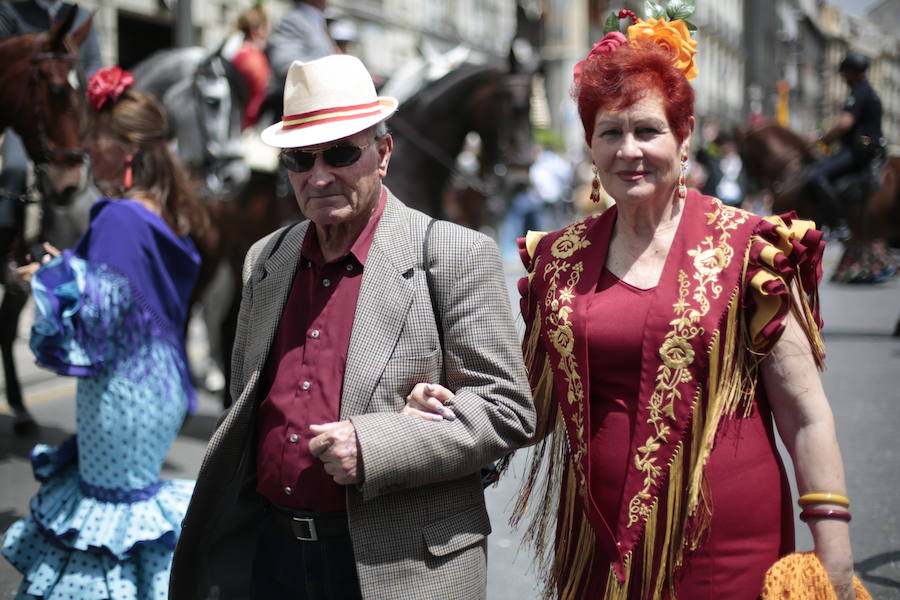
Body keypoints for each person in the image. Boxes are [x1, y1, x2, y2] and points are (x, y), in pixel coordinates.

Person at [469, 13, 856, 600]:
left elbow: (805, 415)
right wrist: (446, 404)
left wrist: (835, 558)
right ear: (590, 146)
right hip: (599, 548)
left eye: (648, 130)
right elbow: (530, 403)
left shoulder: (752, 251)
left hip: (730, 552)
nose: (630, 151)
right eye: (609, 133)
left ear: (685, 135)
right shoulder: (559, 259)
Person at [169, 54, 535, 600]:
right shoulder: (265, 259)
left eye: (341, 153)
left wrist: (377, 442)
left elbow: (508, 409)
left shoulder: (454, 253)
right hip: (271, 555)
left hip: (394, 566)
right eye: (300, 157)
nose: (319, 175)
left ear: (383, 153)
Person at [1, 65, 205, 599]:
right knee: (132, 519)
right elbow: (127, 294)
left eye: (99, 136)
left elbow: (96, 320)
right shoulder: (160, 211)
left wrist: (45, 278)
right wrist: (69, 267)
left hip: (121, 393)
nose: (88, 146)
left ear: (130, 148)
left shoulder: (117, 217)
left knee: (107, 526)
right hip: (156, 387)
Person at [0, 0, 103, 433]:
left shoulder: (79, 15)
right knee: (18, 167)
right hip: (28, 112)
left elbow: (94, 73)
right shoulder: (10, 9)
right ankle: (13, 248)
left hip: (70, 117)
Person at [807, 51, 884, 237]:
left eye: (845, 73)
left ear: (853, 72)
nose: (843, 78)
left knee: (815, 176)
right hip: (869, 151)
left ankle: (838, 223)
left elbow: (844, 123)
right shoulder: (868, 92)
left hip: (858, 152)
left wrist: (821, 139)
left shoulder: (859, 92)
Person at [264, 0, 337, 118]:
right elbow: (286, 66)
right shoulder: (293, 20)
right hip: (300, 115)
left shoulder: (315, 20)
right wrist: (336, 70)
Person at [231, 5, 271, 131]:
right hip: (252, 126)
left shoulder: (237, 53)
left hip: (239, 121)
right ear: (256, 30)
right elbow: (262, 95)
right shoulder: (253, 58)